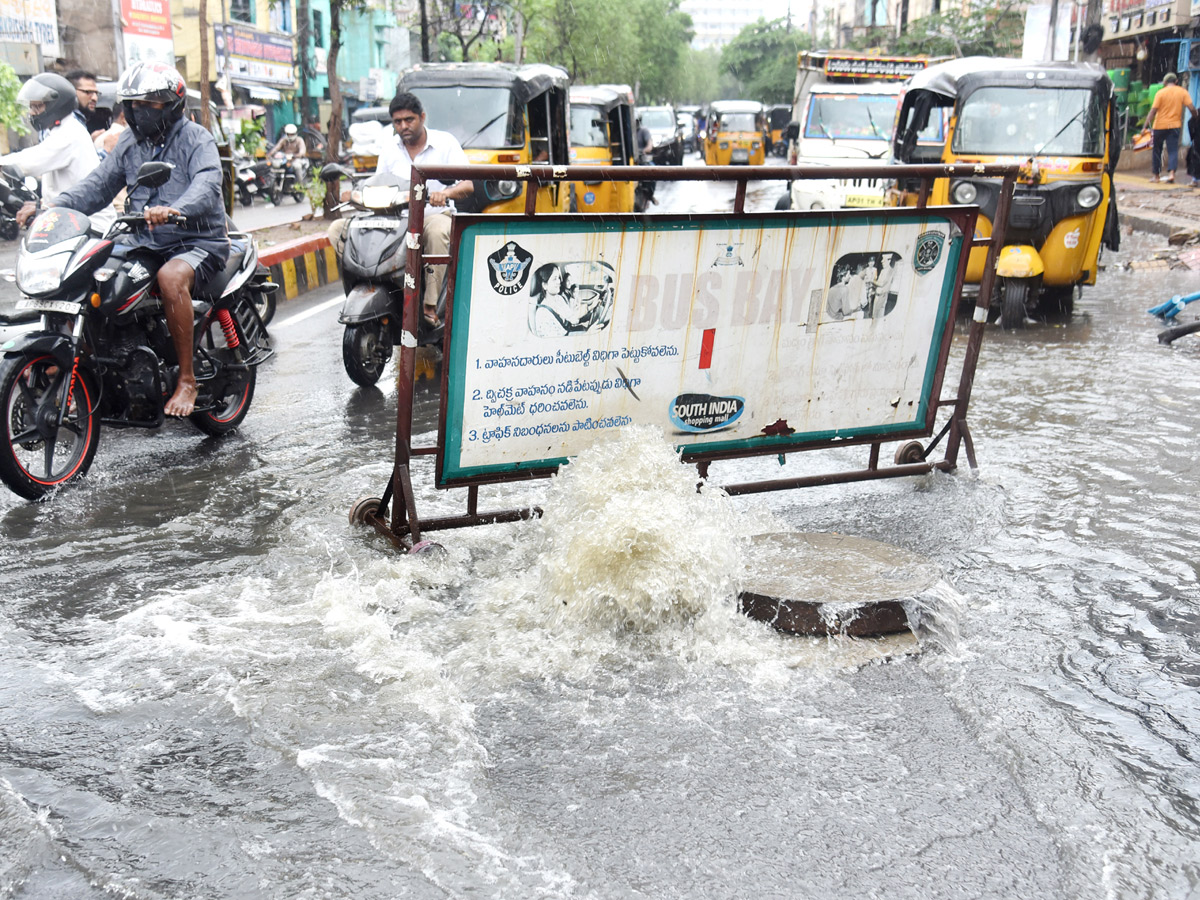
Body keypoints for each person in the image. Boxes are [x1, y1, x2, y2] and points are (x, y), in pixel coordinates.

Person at [22, 62, 230, 418]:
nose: (138, 111)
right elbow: (98, 185)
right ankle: (98, 365)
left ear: (171, 104)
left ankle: (187, 379)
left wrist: (176, 208)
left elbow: (208, 184)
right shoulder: (131, 143)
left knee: (171, 278)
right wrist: (54, 205)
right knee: (92, 273)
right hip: (144, 240)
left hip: (198, 240)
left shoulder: (197, 139)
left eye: (149, 104)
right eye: (133, 104)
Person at [364, 90, 473, 329]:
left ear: (422, 117)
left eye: (409, 120)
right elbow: (378, 181)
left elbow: (467, 184)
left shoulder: (445, 143)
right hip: (398, 219)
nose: (403, 126)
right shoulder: (389, 148)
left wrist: (444, 193)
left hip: (434, 216)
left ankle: (430, 306)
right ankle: (371, 292)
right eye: (397, 122)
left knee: (436, 233)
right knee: (341, 231)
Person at [1, 73, 114, 230]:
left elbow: (30, 161)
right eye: (31, 107)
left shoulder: (70, 133)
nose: (32, 113)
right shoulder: (56, 131)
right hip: (68, 218)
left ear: (56, 105)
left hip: (91, 225)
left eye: (38, 106)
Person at [1145, 72, 1196, 184]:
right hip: (1174, 126)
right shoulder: (1182, 92)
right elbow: (1191, 108)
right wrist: (1196, 118)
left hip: (1159, 126)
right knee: (1172, 150)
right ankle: (1171, 174)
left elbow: (1153, 111)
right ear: (1176, 81)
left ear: (1164, 82)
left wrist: (1145, 126)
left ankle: (1156, 176)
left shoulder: (1160, 93)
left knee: (1157, 150)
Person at [529, 263, 593, 337]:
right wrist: (587, 335)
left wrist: (588, 315)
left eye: (559, 278)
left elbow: (571, 317)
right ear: (545, 285)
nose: (559, 281)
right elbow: (557, 342)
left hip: (569, 331)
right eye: (554, 279)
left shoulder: (559, 298)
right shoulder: (542, 314)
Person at [65, 69, 101, 137]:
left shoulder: (79, 119)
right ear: (71, 91)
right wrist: (106, 147)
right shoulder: (66, 122)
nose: (94, 98)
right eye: (88, 92)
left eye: (96, 93)